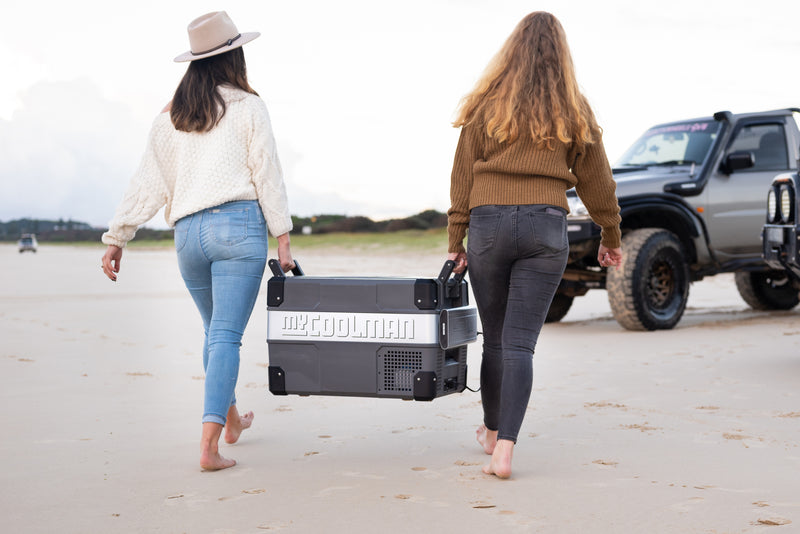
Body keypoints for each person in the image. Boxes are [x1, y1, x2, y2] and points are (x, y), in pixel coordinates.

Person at [100, 11, 295, 471]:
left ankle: (232, 422)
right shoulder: (249, 106)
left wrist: (117, 237)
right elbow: (267, 173)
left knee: (214, 333)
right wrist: (283, 238)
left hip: (188, 235)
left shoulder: (170, 117)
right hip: (238, 227)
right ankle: (209, 448)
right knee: (225, 335)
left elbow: (147, 183)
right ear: (234, 56)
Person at [446, 11, 622, 479]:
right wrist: (610, 235)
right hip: (546, 225)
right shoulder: (575, 109)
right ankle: (504, 450)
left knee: (495, 339)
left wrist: (455, 239)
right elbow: (598, 181)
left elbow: (462, 176)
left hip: (488, 224)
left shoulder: (485, 105)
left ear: (512, 50)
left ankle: (490, 432)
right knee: (520, 344)